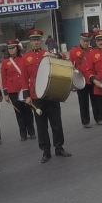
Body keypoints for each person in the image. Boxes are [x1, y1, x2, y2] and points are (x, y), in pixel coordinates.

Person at [21, 29, 71, 163]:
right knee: (41, 125)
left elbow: (65, 57)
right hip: (36, 96)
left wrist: (55, 56)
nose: (36, 42)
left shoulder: (48, 53)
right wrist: (26, 95)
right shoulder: (26, 57)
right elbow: (24, 78)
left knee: (56, 122)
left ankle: (59, 148)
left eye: (38, 40)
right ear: (30, 42)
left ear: (41, 41)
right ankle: (46, 151)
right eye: (34, 40)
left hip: (51, 92)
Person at [1, 39, 35, 141]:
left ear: (17, 48)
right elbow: (4, 78)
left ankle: (31, 131)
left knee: (28, 110)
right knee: (19, 112)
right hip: (13, 91)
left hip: (24, 89)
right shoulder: (5, 62)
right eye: (9, 48)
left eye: (13, 48)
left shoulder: (23, 58)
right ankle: (23, 133)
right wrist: (6, 93)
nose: (11, 50)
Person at [69, 32, 99, 128]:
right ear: (80, 40)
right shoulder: (74, 51)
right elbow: (71, 66)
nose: (85, 43)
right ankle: (85, 121)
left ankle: (98, 118)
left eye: (87, 41)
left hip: (92, 78)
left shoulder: (93, 51)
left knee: (95, 99)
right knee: (83, 101)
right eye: (84, 41)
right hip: (80, 80)